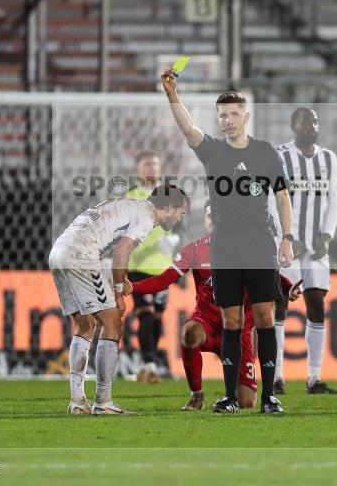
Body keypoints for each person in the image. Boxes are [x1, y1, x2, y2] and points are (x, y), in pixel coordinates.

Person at [161, 68, 294, 414]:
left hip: (260, 244)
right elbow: (187, 129)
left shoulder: (265, 152)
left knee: (264, 318)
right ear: (218, 120)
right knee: (232, 321)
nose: (228, 119)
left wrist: (287, 239)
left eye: (234, 114)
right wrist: (172, 94)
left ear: (246, 117)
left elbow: (281, 198)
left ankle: (268, 397)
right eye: (223, 115)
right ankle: (230, 397)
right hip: (225, 246)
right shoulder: (214, 152)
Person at [131, 203, 303, 410]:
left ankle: (248, 397)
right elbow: (163, 280)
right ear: (205, 222)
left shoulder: (247, 247)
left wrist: (288, 287)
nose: (214, 221)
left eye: (217, 216)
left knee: (247, 403)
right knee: (189, 333)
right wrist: (131, 287)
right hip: (208, 323)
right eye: (210, 217)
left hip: (239, 332)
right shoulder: (195, 250)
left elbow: (267, 274)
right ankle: (197, 395)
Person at [49, 185, 189, 415]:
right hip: (81, 255)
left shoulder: (131, 205)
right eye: (181, 213)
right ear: (170, 207)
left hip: (58, 253)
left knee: (85, 325)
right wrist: (117, 291)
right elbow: (122, 251)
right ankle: (103, 402)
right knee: (113, 324)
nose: (180, 219)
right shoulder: (147, 215)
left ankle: (77, 401)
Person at [272, 108, 337, 395]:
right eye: (305, 122)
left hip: (316, 247)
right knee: (278, 305)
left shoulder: (328, 158)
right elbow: (270, 199)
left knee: (317, 305)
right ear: (293, 126)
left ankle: (314, 378)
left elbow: (334, 198)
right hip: (287, 245)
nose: (311, 126)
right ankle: (276, 375)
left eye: (315, 121)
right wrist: (285, 237)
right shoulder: (279, 156)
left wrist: (327, 236)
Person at [126, 151, 180, 383]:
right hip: (138, 265)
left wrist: (174, 241)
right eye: (147, 164)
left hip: (163, 267)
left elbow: (181, 225)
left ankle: (148, 363)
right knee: (145, 314)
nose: (152, 169)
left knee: (158, 317)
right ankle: (150, 363)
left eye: (155, 164)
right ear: (138, 168)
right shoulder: (132, 197)